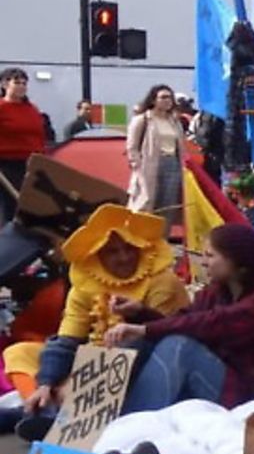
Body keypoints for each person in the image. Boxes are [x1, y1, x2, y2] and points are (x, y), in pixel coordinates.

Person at [20, 205, 188, 422]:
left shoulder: (162, 281)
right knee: (21, 353)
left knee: (131, 349)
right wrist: (47, 382)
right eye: (113, 251)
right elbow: (67, 341)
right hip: (92, 364)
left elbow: (161, 336)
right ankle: (39, 402)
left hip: (144, 365)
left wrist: (81, 380)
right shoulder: (85, 285)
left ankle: (50, 415)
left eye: (129, 248)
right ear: (96, 256)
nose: (125, 257)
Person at [106, 223, 254, 411]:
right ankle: (107, 421)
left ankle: (134, 426)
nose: (203, 262)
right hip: (215, 377)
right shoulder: (214, 292)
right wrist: (139, 313)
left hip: (247, 392)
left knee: (179, 346)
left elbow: (213, 323)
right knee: (139, 342)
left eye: (210, 256)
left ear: (239, 263)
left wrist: (145, 329)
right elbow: (183, 320)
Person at [125, 85, 186, 221]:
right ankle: (141, 239)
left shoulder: (175, 122)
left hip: (172, 164)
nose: (168, 100)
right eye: (163, 97)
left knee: (168, 205)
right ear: (153, 100)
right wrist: (137, 165)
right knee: (146, 203)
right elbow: (132, 147)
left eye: (170, 97)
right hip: (149, 164)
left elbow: (180, 146)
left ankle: (161, 238)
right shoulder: (142, 119)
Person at [0, 68, 47, 224]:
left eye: (24, 83)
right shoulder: (2, 108)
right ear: (5, 84)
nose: (21, 86)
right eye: (17, 82)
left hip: (32, 163)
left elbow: (39, 135)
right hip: (8, 164)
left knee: (33, 206)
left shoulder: (31, 109)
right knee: (12, 207)